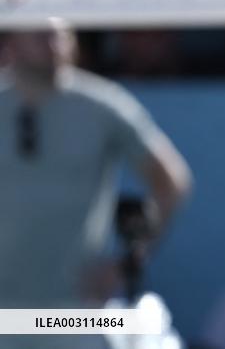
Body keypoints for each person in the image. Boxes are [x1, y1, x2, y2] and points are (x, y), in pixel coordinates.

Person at [0, 17, 192, 312]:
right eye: (40, 36)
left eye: (61, 35)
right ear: (12, 44)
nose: (54, 45)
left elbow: (171, 181)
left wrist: (125, 264)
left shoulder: (105, 106)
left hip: (80, 306)